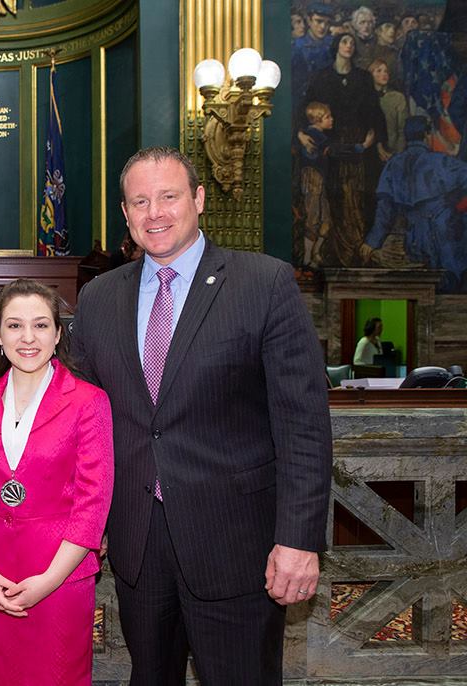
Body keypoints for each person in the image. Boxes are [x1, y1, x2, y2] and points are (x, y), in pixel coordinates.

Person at [71, 147, 332, 684]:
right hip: (138, 546)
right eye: (140, 202)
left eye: (168, 196)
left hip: (237, 547)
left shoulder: (263, 283)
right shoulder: (97, 298)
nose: (155, 213)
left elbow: (303, 426)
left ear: (199, 199)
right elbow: (83, 423)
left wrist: (299, 539)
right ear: (125, 214)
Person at [0, 278, 113, 685]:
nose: (28, 338)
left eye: (41, 325)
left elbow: (93, 504)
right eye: (14, 325)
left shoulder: (89, 401)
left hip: (59, 578)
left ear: (58, 334)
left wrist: (48, 581)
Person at [303, 33, 384, 266]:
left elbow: (374, 112)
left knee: (356, 195)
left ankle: (356, 246)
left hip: (358, 144)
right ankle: (331, 251)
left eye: (351, 43)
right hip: (333, 145)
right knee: (334, 197)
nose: (348, 46)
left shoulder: (362, 77)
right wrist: (300, 134)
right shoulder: (322, 77)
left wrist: (377, 142)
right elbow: (306, 109)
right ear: (336, 46)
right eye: (344, 42)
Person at [361, 116, 467, 292]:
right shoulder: (442, 162)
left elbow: (385, 210)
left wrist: (372, 241)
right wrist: (453, 199)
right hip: (446, 236)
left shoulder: (393, 164)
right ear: (427, 135)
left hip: (413, 239)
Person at [300, 101, 334, 267]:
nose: (332, 120)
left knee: (325, 220)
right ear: (317, 119)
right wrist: (360, 147)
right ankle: (308, 258)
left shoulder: (317, 136)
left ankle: (315, 253)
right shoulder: (314, 136)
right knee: (313, 218)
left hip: (320, 179)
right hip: (313, 179)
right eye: (328, 117)